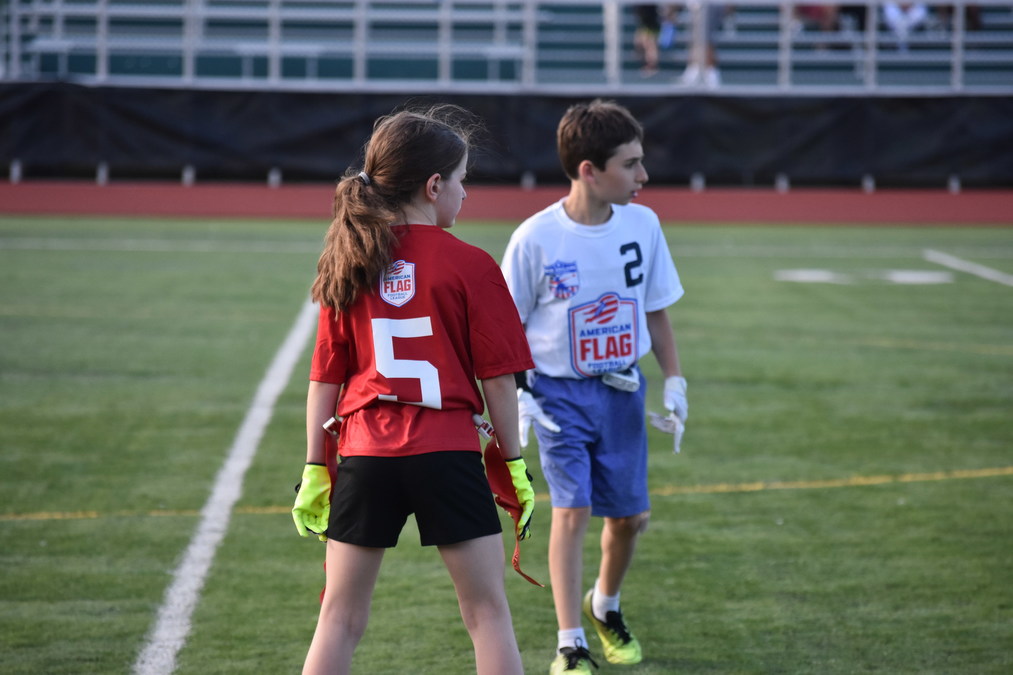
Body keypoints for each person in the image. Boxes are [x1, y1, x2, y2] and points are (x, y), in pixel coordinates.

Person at [291, 104, 537, 675]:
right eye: (461, 181)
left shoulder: (350, 257)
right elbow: (498, 380)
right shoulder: (472, 264)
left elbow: (324, 378)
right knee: (487, 615)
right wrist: (516, 463)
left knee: (339, 619)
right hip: (447, 452)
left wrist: (314, 466)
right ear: (433, 185)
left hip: (366, 453)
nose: (465, 194)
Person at [501, 99, 688, 674]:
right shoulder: (536, 239)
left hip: (622, 392)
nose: (643, 176)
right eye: (630, 164)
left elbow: (654, 309)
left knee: (630, 518)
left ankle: (605, 604)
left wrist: (674, 378)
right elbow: (506, 327)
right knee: (572, 511)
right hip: (558, 397)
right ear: (589, 169)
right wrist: (523, 393)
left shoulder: (644, 224)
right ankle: (570, 641)